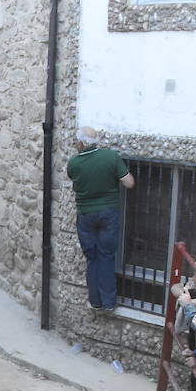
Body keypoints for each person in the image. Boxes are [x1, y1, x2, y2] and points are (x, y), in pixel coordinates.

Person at [66, 125, 134, 311]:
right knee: (106, 256)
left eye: (75, 141)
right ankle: (109, 302)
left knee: (92, 258)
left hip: (86, 214)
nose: (75, 144)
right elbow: (129, 183)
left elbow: (73, 178)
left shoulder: (73, 163)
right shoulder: (111, 157)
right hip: (108, 213)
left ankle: (95, 302)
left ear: (80, 143)